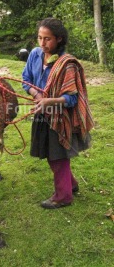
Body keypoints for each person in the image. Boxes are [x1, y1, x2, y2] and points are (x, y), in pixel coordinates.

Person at [22, 17, 94, 209]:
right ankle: (71, 184)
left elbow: (71, 98)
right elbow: (25, 79)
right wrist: (37, 94)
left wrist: (49, 101)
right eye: (39, 38)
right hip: (42, 111)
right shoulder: (35, 55)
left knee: (58, 156)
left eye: (47, 39)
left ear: (59, 39)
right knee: (51, 153)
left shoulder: (66, 64)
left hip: (60, 116)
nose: (42, 43)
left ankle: (63, 196)